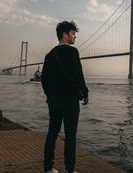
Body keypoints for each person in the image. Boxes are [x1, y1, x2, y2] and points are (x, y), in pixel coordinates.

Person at [41, 21, 89, 173]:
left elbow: (44, 79)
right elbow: (78, 75)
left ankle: (48, 168)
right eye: (73, 33)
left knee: (52, 133)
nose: (75, 37)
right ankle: (70, 170)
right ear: (65, 34)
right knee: (70, 136)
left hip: (54, 101)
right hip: (70, 101)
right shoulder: (73, 52)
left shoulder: (49, 55)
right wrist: (85, 93)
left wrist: (50, 97)